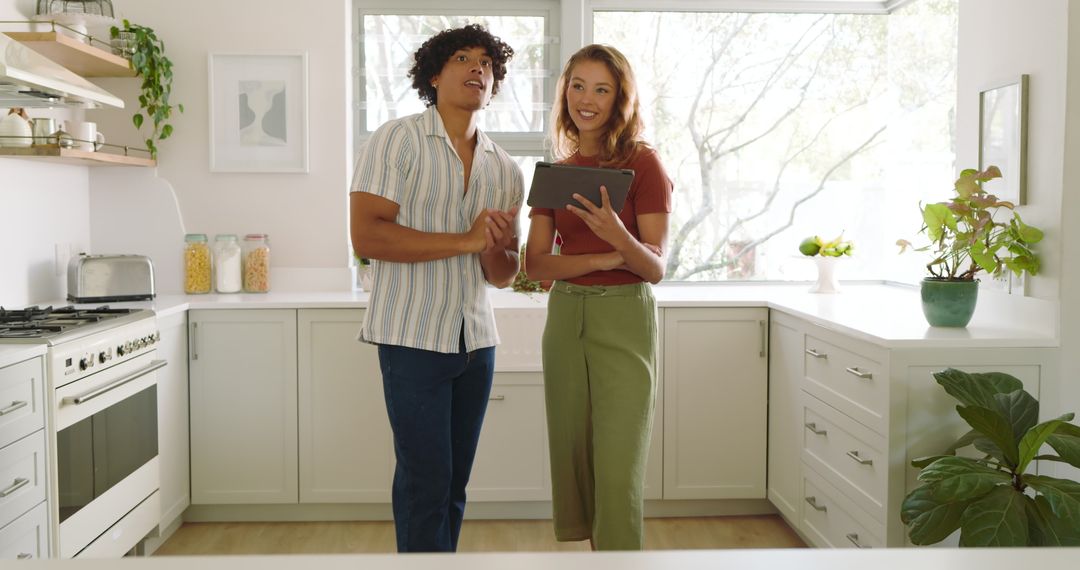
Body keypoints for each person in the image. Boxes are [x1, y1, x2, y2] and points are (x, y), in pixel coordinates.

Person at [349, 24, 523, 553]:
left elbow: (503, 272)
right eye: (463, 59)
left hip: (476, 344)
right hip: (411, 338)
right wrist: (468, 238)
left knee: (452, 486)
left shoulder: (507, 169)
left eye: (488, 65)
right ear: (433, 74)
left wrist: (492, 247)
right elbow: (368, 235)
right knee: (424, 484)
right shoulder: (396, 139)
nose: (478, 69)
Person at [525, 44, 673, 551]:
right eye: (578, 85)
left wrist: (617, 236)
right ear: (565, 91)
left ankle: (619, 559)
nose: (586, 99)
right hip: (565, 314)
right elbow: (537, 265)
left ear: (619, 99)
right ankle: (586, 558)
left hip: (625, 319)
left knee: (618, 463)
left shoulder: (643, 164)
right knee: (572, 455)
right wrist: (602, 259)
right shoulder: (555, 172)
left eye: (601, 89)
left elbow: (653, 267)